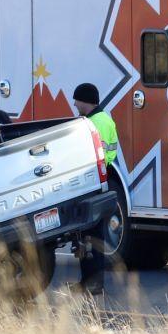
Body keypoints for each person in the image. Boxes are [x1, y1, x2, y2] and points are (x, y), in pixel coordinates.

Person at [72, 82, 119, 293]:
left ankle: (91, 283)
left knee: (90, 236)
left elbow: (87, 154)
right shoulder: (104, 119)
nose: (74, 104)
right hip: (101, 180)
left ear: (85, 101)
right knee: (93, 235)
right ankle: (91, 282)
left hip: (91, 183)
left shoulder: (91, 124)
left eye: (77, 100)